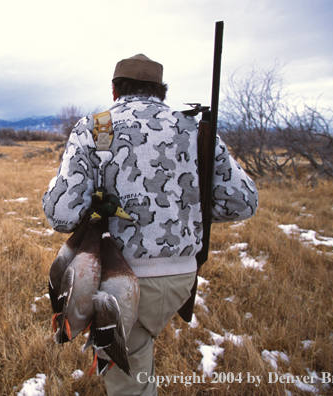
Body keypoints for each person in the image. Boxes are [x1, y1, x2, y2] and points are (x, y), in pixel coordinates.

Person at [42, 54, 258, 396]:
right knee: (138, 355)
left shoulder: (98, 126)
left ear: (115, 90)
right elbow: (244, 201)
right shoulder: (197, 130)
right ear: (161, 91)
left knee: (130, 382)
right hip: (181, 278)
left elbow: (61, 215)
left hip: (121, 281)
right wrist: (186, 208)